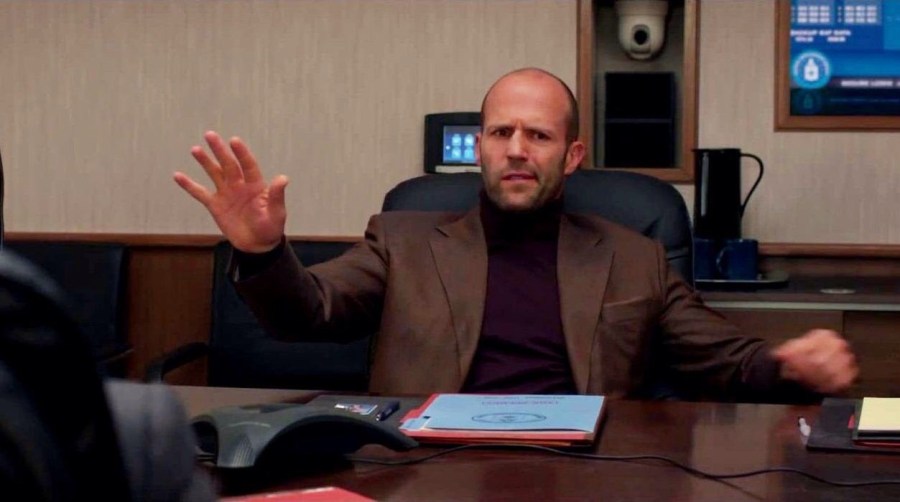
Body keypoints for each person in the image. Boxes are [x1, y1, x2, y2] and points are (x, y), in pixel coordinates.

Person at [174, 67, 857, 400]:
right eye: (501, 132)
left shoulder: (634, 256)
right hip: (428, 469)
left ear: (573, 155)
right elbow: (308, 312)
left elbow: (724, 358)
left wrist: (790, 365)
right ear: (480, 148)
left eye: (539, 135)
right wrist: (262, 251)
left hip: (585, 470)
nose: (517, 149)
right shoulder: (403, 239)